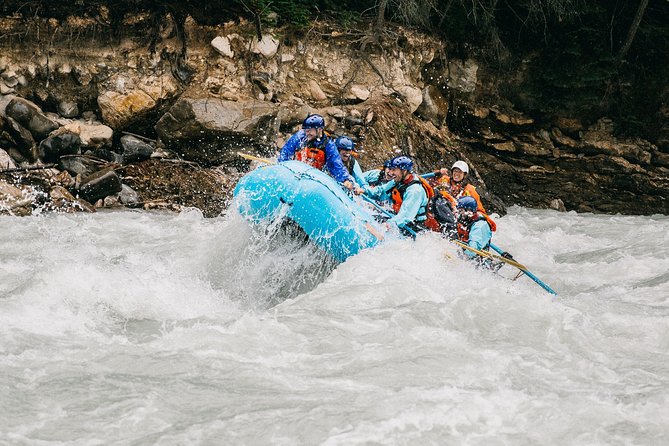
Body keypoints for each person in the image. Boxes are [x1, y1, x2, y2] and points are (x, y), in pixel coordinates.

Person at [364, 155, 439, 233]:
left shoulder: (415, 191)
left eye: (394, 170)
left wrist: (388, 224)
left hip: (413, 227)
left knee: (380, 222)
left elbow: (405, 215)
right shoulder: (398, 181)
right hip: (398, 219)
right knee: (373, 218)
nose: (391, 173)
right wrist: (364, 191)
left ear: (404, 171)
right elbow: (380, 192)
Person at [278, 114, 355, 189]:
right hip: (295, 172)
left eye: (309, 131)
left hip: (314, 178)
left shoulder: (328, 144)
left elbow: (336, 163)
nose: (307, 133)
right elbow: (286, 152)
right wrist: (282, 166)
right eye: (306, 130)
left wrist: (345, 180)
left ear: (319, 129)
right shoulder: (300, 137)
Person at [456, 196, 497, 264]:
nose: (460, 213)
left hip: (478, 261)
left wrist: (459, 260)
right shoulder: (468, 219)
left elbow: (473, 249)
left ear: (469, 210)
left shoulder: (479, 226)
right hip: (468, 250)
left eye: (461, 211)